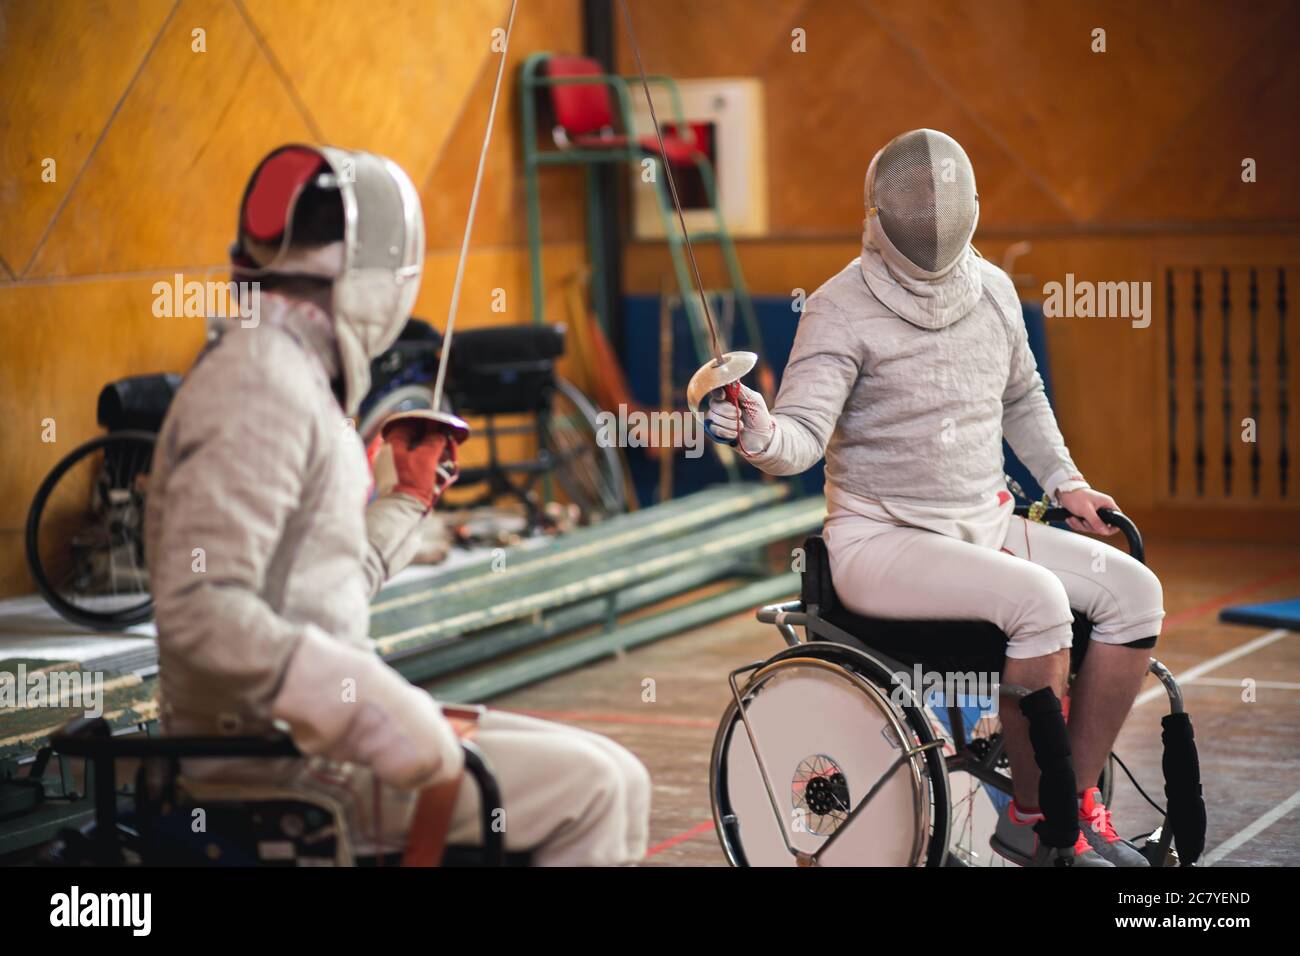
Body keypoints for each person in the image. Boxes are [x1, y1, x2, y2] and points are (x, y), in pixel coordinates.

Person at [145, 144, 649, 866]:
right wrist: (369, 704)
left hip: (309, 738)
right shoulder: (258, 387)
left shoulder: (288, 379)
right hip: (274, 766)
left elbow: (312, 590)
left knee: (620, 775)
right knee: (594, 788)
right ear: (366, 280)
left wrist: (404, 502)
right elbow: (202, 608)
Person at [706, 129, 1162, 867]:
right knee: (1040, 602)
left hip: (985, 523)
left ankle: (1073, 802)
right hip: (880, 541)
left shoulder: (994, 290)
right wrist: (758, 431)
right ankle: (1034, 819)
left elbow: (1022, 397)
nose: (933, 228)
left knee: (1134, 593)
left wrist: (1065, 484)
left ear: (974, 211)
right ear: (879, 217)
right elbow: (800, 440)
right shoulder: (839, 306)